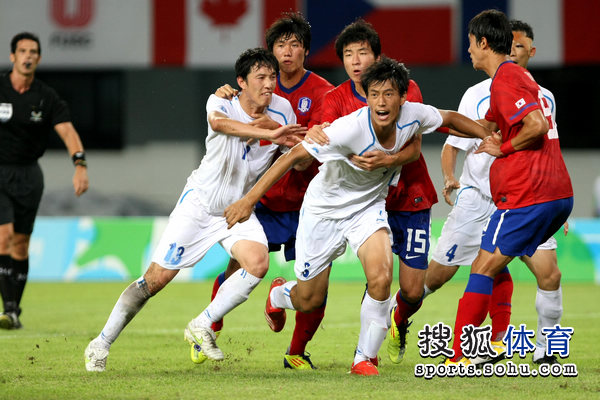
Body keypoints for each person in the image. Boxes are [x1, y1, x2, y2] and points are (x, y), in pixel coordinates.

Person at [224, 57, 493, 375]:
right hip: (324, 211)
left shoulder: (414, 115)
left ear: (403, 97)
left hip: (367, 209)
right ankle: (280, 294)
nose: (382, 101)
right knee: (308, 300)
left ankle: (363, 358)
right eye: (375, 94)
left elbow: (449, 117)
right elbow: (294, 155)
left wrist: (486, 134)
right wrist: (249, 200)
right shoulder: (348, 129)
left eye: (389, 94)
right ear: (366, 97)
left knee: (381, 277)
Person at [84, 48, 304, 372]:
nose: (269, 84)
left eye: (273, 77)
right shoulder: (221, 101)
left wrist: (293, 142)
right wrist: (267, 132)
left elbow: (293, 157)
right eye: (261, 77)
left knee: (257, 263)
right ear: (241, 81)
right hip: (199, 205)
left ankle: (201, 324)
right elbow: (220, 124)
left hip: (236, 210)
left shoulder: (283, 112)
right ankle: (100, 344)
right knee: (155, 280)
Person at [425, 19, 567, 366]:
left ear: (485, 43)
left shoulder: (506, 80)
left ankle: (460, 355)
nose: (468, 49)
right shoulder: (521, 84)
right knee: (548, 274)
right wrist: (425, 118)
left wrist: (503, 150)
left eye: (472, 42)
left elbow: (536, 127)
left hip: (526, 196)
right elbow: (486, 127)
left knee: (483, 267)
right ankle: (548, 350)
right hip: (553, 192)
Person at [197, 12, 334, 370]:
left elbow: (311, 155)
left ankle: (296, 351)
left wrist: (277, 129)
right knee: (236, 268)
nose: (287, 52)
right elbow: (224, 120)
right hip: (262, 200)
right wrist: (224, 96)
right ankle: (208, 328)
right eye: (280, 45)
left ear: (306, 50)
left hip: (308, 202)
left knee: (315, 289)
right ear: (270, 52)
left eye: (295, 44)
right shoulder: (253, 88)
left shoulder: (323, 93)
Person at [310, 19, 438, 365]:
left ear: (377, 57)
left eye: (362, 53)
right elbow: (323, 140)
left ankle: (397, 319)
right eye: (348, 54)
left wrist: (391, 157)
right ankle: (367, 353)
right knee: (378, 275)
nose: (355, 61)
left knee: (412, 290)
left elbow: (415, 147)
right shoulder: (334, 100)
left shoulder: (404, 88)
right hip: (364, 203)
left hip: (410, 195)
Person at [0, 32, 89, 330]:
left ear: (38, 58)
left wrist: (80, 164)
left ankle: (13, 311)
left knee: (21, 244)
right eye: (22, 51)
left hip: (29, 175)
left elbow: (67, 131)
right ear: (12, 56)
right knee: (4, 236)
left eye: (33, 52)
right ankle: (9, 308)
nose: (28, 56)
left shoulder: (45, 96)